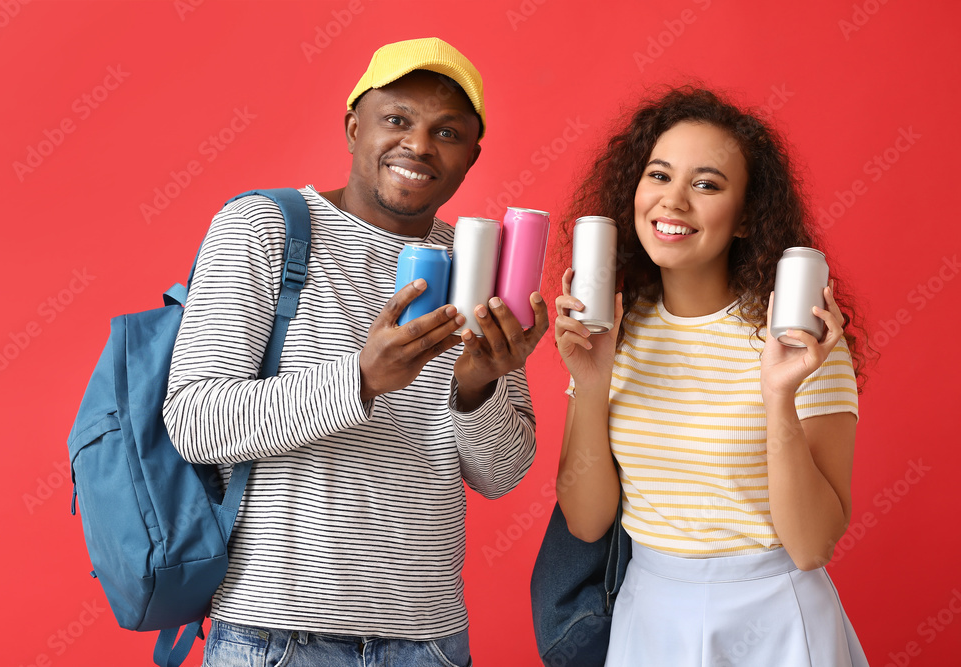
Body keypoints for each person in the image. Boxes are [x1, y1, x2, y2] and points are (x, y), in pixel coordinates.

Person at [163, 37, 549, 667]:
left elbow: (501, 477)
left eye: (447, 133)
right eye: (396, 119)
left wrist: (475, 392)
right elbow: (196, 421)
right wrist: (362, 381)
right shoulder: (264, 228)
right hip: (274, 637)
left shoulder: (482, 265)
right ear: (353, 127)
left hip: (429, 641)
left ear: (472, 158)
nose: (419, 146)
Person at [552, 86, 869, 665]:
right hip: (648, 614)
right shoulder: (610, 328)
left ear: (746, 216)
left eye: (706, 184)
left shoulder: (799, 339)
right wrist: (591, 382)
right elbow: (587, 519)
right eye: (658, 176)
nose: (672, 202)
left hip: (775, 618)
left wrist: (778, 395)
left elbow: (811, 544)